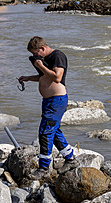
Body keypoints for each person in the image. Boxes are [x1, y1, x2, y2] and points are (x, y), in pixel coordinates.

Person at [18, 36, 76, 179]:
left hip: (57, 101)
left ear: (42, 48)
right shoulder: (43, 60)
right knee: (54, 131)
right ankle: (71, 159)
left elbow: (56, 77)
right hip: (49, 101)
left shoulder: (58, 56)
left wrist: (40, 66)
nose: (34, 57)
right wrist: (28, 78)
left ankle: (43, 168)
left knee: (45, 132)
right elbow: (44, 77)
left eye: (35, 53)